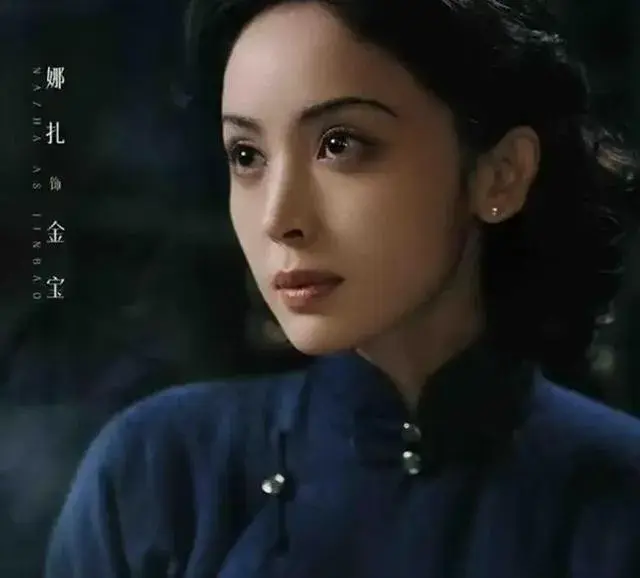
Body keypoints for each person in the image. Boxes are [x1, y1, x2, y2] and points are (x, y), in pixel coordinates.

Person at [45, 1, 640, 576]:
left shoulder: (618, 495)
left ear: (500, 175)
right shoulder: (156, 475)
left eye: (339, 144)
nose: (278, 217)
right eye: (247, 155)